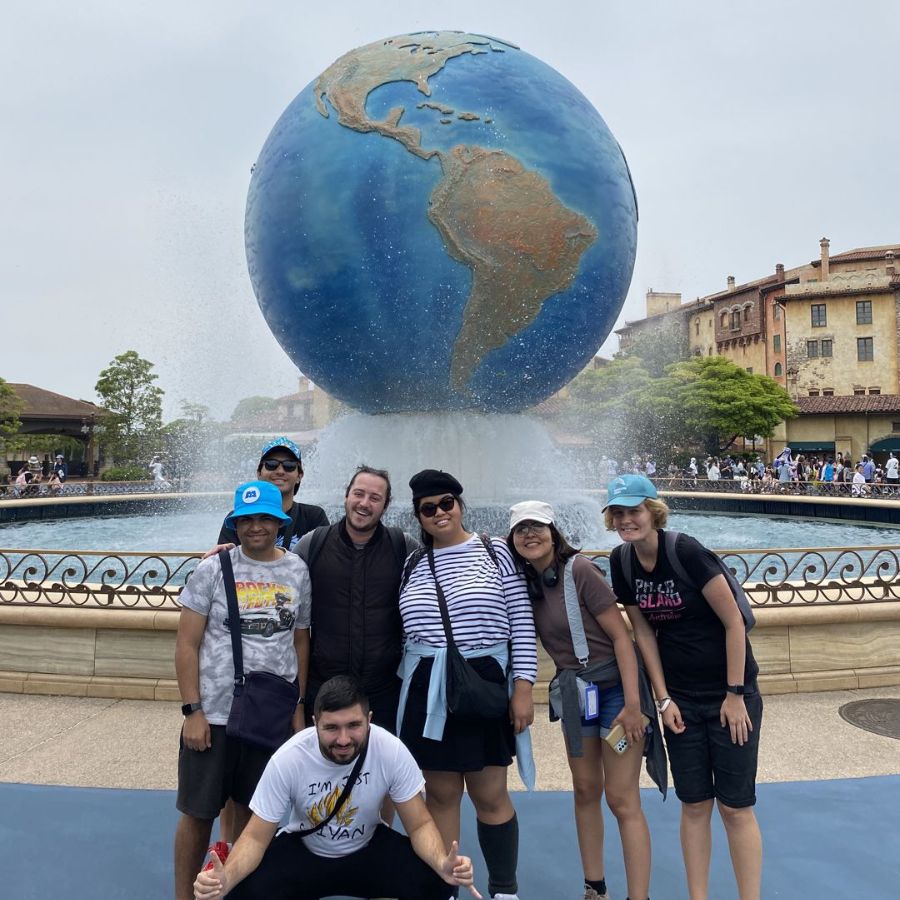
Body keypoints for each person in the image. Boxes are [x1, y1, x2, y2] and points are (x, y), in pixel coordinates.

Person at [605, 474, 762, 900]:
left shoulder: (686, 551)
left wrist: (734, 694)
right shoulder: (621, 561)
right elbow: (643, 632)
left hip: (729, 696)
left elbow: (734, 623)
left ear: (652, 511)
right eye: (617, 512)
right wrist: (663, 699)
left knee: (734, 806)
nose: (626, 520)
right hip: (681, 700)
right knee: (693, 804)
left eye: (633, 510)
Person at [192, 675, 481, 900]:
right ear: (315, 723)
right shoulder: (289, 757)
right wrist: (226, 879)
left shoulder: (390, 749)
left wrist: (441, 862)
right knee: (239, 892)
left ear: (369, 721)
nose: (343, 739)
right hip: (305, 852)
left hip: (367, 850)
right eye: (331, 728)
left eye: (354, 725)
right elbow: (256, 838)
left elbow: (419, 825)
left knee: (438, 882)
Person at [506, 500, 657, 900]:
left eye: (537, 527)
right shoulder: (525, 584)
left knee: (621, 797)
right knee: (586, 789)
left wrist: (633, 705)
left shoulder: (580, 570)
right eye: (521, 529)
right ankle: (595, 887)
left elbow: (622, 637)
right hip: (575, 694)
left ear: (553, 532)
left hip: (614, 690)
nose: (530, 535)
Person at [397, 469, 536, 900]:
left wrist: (523, 687)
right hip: (427, 687)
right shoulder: (413, 562)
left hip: (482, 682)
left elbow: (522, 622)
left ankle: (504, 889)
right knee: (440, 796)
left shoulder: (496, 551)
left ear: (460, 505)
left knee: (490, 793)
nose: (439, 513)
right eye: (428, 508)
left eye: (447, 503)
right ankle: (446, 889)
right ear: (419, 516)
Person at [174, 480, 312, 900]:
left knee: (257, 817)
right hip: (214, 715)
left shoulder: (297, 570)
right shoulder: (212, 569)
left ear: (279, 522)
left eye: (265, 518)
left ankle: (236, 891)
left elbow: (300, 640)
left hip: (268, 715)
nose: (256, 527)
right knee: (198, 814)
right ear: (235, 524)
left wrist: (298, 705)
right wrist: (192, 711)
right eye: (246, 519)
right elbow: (186, 644)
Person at [294, 465, 418, 735]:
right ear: (346, 495)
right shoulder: (313, 544)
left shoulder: (403, 546)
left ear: (386, 505)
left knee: (381, 760)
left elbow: (440, 567)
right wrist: (231, 555)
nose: (364, 503)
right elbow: (277, 573)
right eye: (359, 494)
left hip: (385, 690)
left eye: (375, 498)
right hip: (324, 687)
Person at [218, 438, 327, 552]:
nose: (280, 471)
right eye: (271, 464)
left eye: (289, 465)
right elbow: (225, 558)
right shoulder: (239, 517)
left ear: (299, 476)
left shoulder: (314, 517)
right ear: (259, 473)